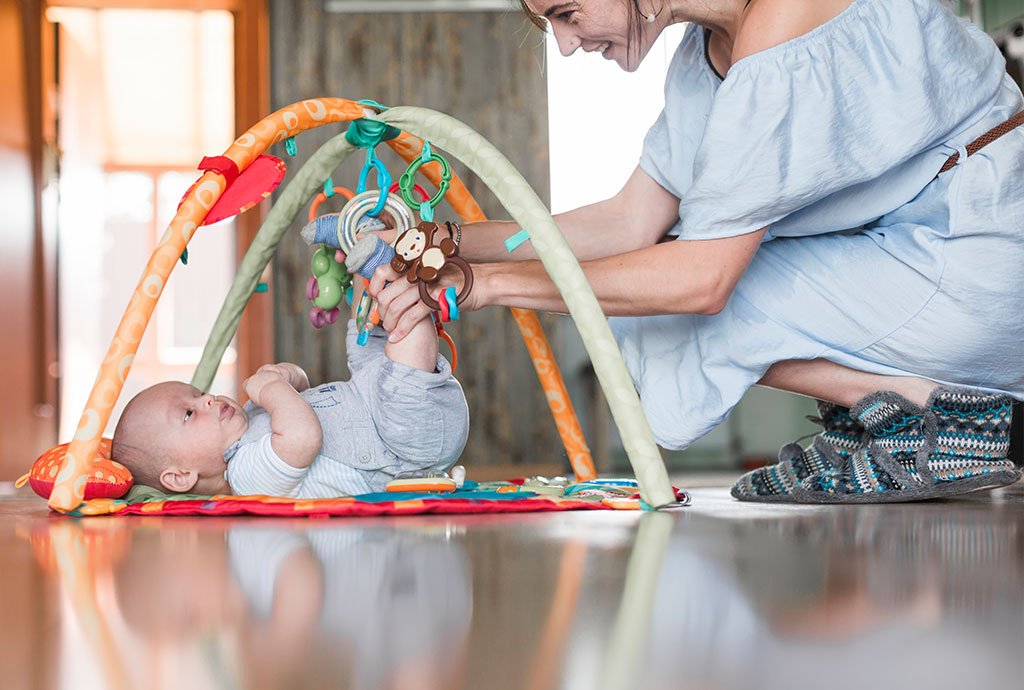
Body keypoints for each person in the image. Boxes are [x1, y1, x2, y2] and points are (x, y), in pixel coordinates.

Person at [368, 0, 1024, 503]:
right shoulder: (702, 55)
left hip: (980, 248)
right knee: (648, 291)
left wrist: (486, 284)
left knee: (673, 294)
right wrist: (446, 240)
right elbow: (628, 222)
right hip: (910, 247)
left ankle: (936, 419)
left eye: (567, 14)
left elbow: (701, 280)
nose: (566, 45)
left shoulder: (783, 22)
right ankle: (887, 417)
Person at [110, 313, 469, 498]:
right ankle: (409, 288)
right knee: (402, 352)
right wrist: (270, 389)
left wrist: (286, 375)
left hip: (372, 400)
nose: (206, 399)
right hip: (402, 443)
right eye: (189, 413)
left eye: (197, 392)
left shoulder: (249, 418)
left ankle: (373, 261)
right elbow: (303, 436)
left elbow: (304, 389)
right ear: (180, 476)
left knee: (362, 337)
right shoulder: (246, 476)